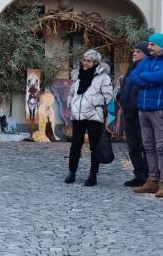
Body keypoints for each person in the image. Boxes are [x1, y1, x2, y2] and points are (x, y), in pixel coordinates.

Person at [131, 33, 163, 198]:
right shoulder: (148, 60)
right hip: (143, 108)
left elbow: (160, 78)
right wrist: (149, 81)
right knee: (148, 146)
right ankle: (152, 180)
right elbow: (134, 77)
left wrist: (146, 78)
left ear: (161, 45)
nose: (149, 47)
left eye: (152, 44)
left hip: (159, 109)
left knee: (161, 147)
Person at [64, 49, 113, 186]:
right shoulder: (78, 76)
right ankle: (72, 172)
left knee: (94, 146)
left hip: (94, 115)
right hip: (78, 115)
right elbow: (72, 93)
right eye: (84, 60)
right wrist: (71, 103)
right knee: (75, 145)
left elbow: (108, 96)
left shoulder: (103, 77)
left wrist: (92, 102)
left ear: (95, 63)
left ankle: (93, 175)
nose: (85, 63)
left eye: (89, 61)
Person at [118, 41, 149, 187]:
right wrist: (121, 95)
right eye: (134, 51)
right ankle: (138, 174)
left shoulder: (148, 67)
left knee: (145, 146)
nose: (134, 54)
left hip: (141, 112)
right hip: (129, 112)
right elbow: (126, 86)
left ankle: (147, 176)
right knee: (132, 146)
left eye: (138, 51)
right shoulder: (132, 67)